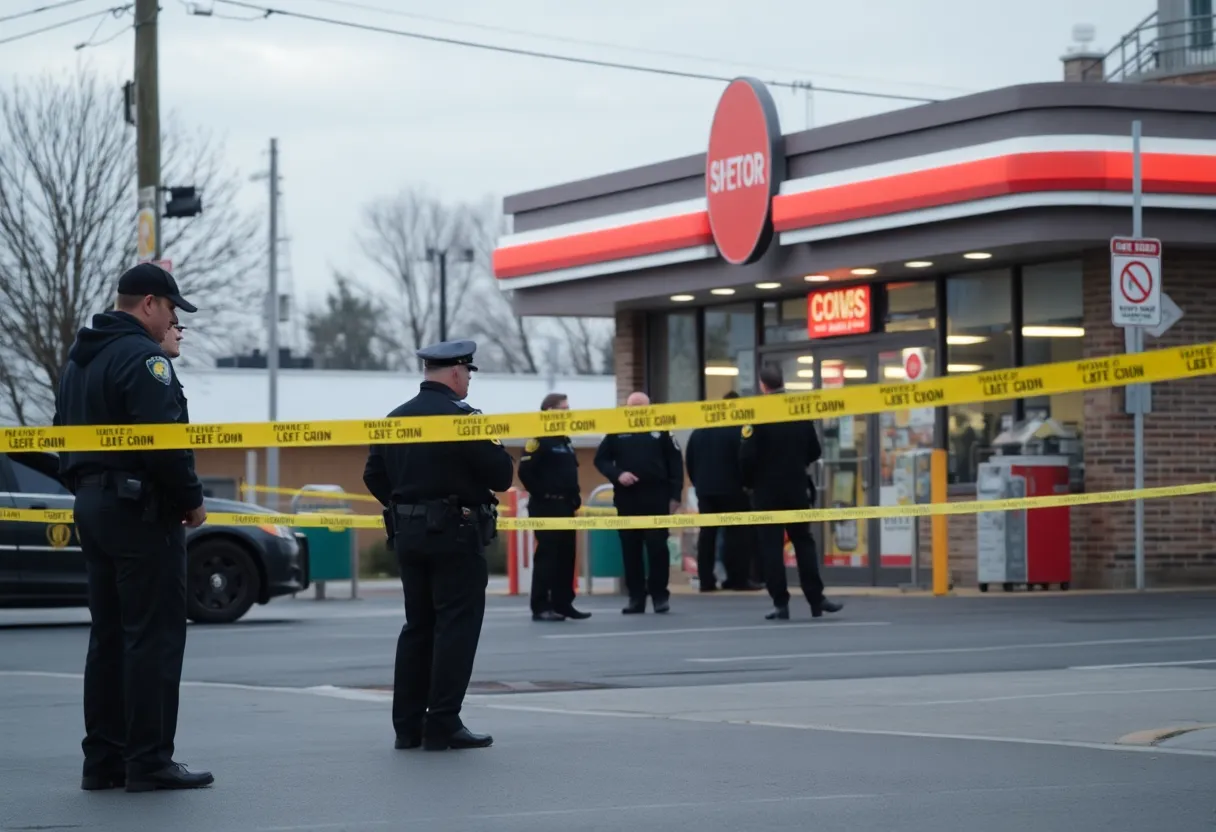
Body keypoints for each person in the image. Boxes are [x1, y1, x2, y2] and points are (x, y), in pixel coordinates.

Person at [53, 262, 212, 792]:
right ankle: (148, 760)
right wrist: (190, 500)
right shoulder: (145, 360)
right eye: (170, 309)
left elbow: (61, 435)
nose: (171, 318)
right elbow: (165, 442)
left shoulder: (80, 360)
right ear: (148, 303)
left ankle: (103, 760)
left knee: (110, 637)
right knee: (154, 637)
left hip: (92, 506)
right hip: (141, 512)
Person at [363, 339, 514, 751]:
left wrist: (408, 503)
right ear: (455, 373)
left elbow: (373, 476)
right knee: (456, 626)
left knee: (418, 627)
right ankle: (443, 721)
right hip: (456, 534)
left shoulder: (395, 418)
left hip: (409, 535)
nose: (468, 381)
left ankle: (407, 726)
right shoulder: (463, 418)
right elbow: (500, 474)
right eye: (467, 374)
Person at [739, 364, 843, 622]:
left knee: (771, 548)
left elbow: (746, 457)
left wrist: (750, 483)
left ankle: (780, 604)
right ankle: (816, 600)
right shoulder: (798, 410)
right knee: (803, 542)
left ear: (763, 386)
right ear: (782, 382)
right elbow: (815, 451)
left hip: (766, 492)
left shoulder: (758, 413)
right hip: (796, 488)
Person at [593, 391, 684, 614]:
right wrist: (617, 474)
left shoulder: (662, 429)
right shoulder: (617, 430)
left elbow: (675, 464)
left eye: (642, 407)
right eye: (633, 407)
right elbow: (600, 459)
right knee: (630, 549)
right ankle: (636, 597)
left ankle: (660, 596)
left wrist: (675, 496)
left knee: (657, 548)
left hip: (657, 496)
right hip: (628, 497)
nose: (638, 411)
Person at [518, 392, 590, 622]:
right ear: (549, 411)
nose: (567, 413)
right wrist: (544, 494)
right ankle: (541, 606)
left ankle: (563, 603)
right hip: (546, 506)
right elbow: (525, 472)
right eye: (563, 409)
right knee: (548, 556)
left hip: (565, 506)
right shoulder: (540, 439)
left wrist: (574, 496)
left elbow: (570, 473)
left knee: (566, 556)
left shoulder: (564, 440)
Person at [685, 390, 761, 592]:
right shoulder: (740, 430)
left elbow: (690, 461)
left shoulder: (700, 431)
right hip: (734, 489)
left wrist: (699, 483)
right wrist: (748, 484)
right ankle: (738, 579)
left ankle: (706, 581)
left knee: (707, 536)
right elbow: (747, 459)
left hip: (706, 491)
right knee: (737, 535)